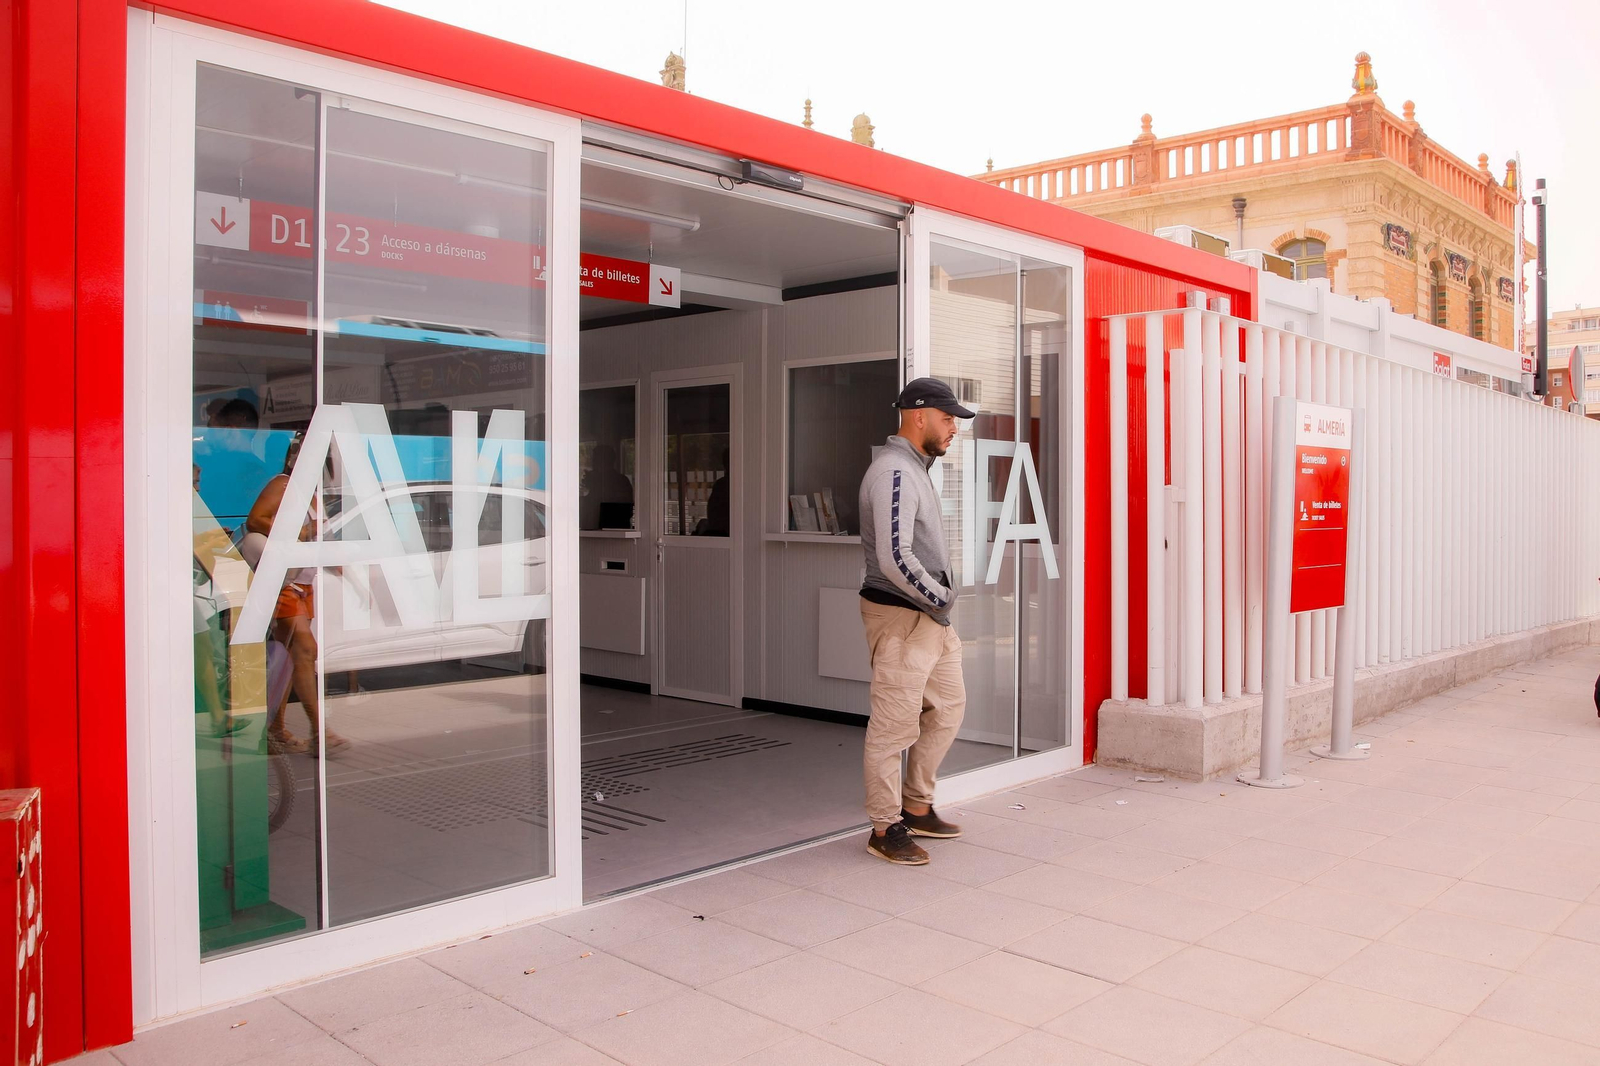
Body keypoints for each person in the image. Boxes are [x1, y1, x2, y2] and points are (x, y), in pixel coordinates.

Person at [856, 377, 972, 865]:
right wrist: (940, 598)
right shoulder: (894, 471)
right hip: (903, 618)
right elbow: (893, 557)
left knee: (947, 707)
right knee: (893, 726)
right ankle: (885, 828)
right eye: (948, 419)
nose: (954, 429)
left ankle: (917, 806)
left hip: (928, 620)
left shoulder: (916, 468)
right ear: (918, 416)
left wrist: (938, 607)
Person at [245, 467, 348, 756]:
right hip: (283, 581)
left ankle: (275, 729)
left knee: (292, 660)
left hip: (303, 582)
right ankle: (320, 732)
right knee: (304, 650)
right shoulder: (284, 484)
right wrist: (302, 532)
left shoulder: (313, 494)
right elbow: (255, 520)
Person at [580, 443, 634, 530]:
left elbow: (625, 508)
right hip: (589, 526)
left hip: (614, 529)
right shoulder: (591, 478)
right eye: (594, 459)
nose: (593, 462)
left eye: (596, 459)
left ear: (609, 460)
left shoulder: (620, 481)